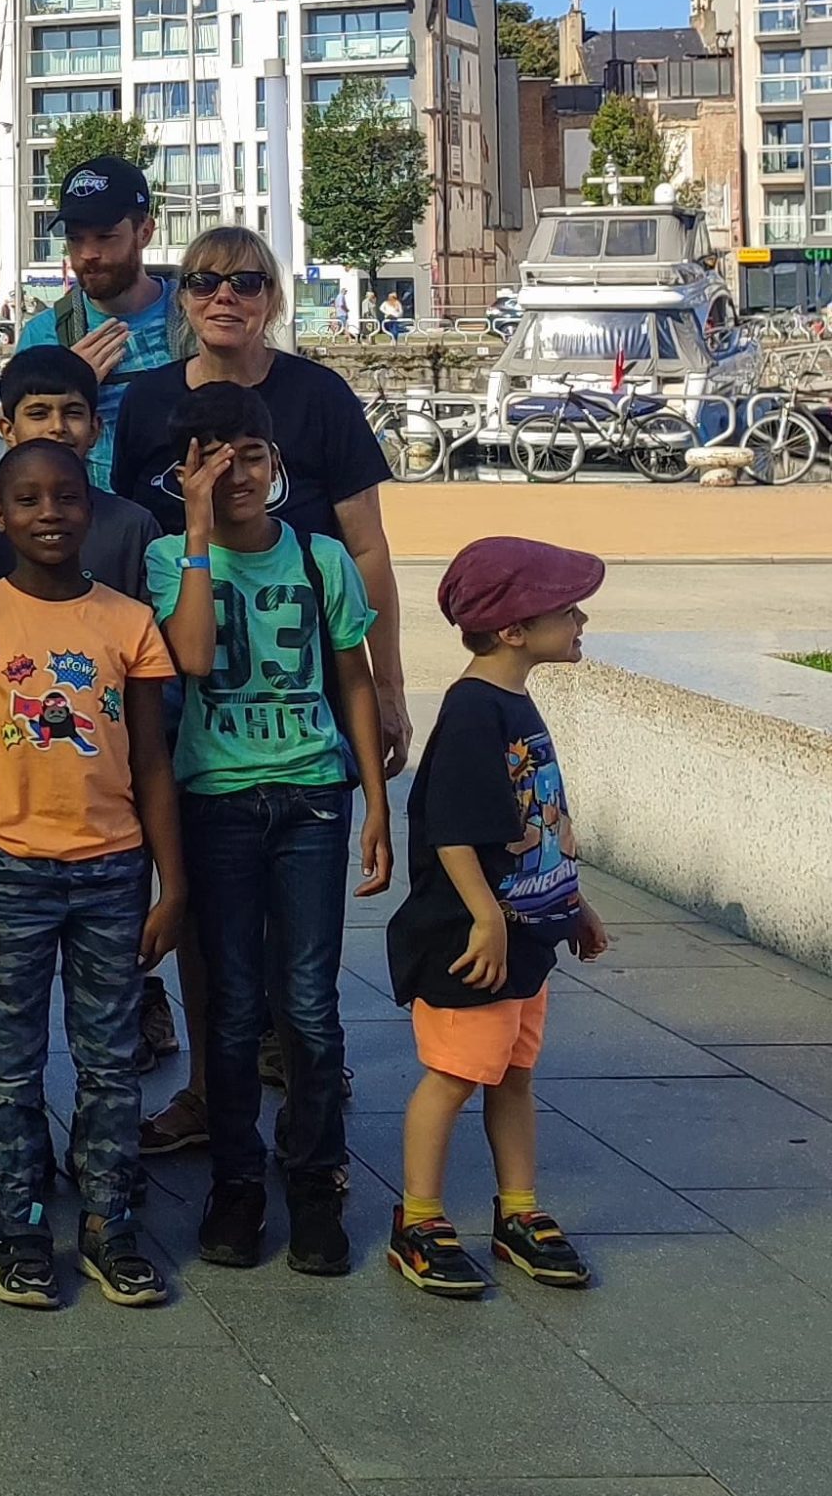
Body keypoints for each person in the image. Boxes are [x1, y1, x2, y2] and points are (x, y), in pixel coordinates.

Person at [111, 226, 412, 1157]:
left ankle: (301, 1068)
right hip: (193, 688)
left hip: (306, 675)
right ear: (184, 298)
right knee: (206, 914)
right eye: (203, 280)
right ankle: (211, 1082)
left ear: (273, 295)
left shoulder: (315, 395)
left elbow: (366, 545)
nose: (223, 295)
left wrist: (391, 680)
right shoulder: (155, 400)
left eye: (245, 280)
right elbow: (132, 534)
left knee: (300, 923)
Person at [146, 383, 391, 1276]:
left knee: (311, 1005)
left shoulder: (322, 557)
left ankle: (316, 1176)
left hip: (312, 799)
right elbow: (196, 657)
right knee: (236, 1004)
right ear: (187, 474)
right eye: (214, 461)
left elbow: (352, 677)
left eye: (250, 455)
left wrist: (375, 798)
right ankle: (237, 1180)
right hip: (217, 801)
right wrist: (201, 529)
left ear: (276, 459)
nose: (237, 473)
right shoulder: (172, 561)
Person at [0, 439, 184, 1312]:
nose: (50, 512)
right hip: (10, 870)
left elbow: (152, 758)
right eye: (29, 499)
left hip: (114, 869)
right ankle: (25, 1221)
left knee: (111, 1058)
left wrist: (173, 883)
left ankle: (110, 1221)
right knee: (9, 1061)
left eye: (67, 497)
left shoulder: (127, 621)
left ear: (92, 509)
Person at [386, 538, 609, 1297]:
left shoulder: (513, 698)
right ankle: (417, 1218)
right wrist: (483, 917)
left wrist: (571, 902)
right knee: (451, 1076)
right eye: (566, 609)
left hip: (525, 935)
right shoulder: (474, 708)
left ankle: (518, 1212)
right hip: (473, 943)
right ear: (514, 629)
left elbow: (536, 819)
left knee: (513, 1075)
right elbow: (449, 825)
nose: (581, 618)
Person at [0, 345, 161, 605]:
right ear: (8, 428)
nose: (57, 427)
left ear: (94, 428)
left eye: (73, 413)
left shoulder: (133, 526)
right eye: (39, 414)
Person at [14, 157, 174, 489]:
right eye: (75, 239)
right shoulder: (44, 334)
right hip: (89, 528)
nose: (87, 254)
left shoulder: (194, 316)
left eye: (104, 237)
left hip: (181, 523)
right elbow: (25, 456)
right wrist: (73, 383)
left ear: (144, 232)